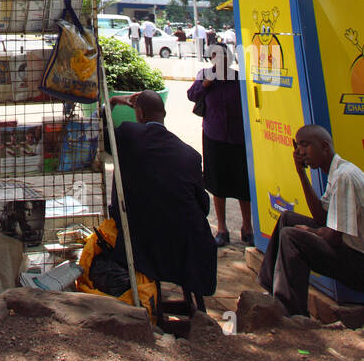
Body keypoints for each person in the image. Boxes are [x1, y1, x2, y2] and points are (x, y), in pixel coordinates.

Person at [108, 91, 217, 298]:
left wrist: (113, 102)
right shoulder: (190, 155)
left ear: (138, 113)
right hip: (186, 245)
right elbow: (202, 205)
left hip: (141, 240)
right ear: (164, 113)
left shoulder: (128, 135)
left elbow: (97, 130)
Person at [259, 126, 364, 317]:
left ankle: (292, 314)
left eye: (305, 145)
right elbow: (321, 218)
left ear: (324, 147)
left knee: (292, 237)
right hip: (348, 249)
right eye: (298, 146)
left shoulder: (344, 176)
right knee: (287, 219)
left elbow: (332, 237)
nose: (300, 152)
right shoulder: (336, 172)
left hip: (358, 261)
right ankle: (269, 289)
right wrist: (301, 174)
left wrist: (311, 231)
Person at [187, 44, 253, 246]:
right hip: (214, 136)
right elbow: (191, 95)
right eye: (216, 56)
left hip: (238, 138)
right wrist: (204, 84)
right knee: (218, 184)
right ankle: (222, 229)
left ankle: (247, 228)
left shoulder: (238, 78)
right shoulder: (206, 76)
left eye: (224, 55)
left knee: (244, 185)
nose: (220, 60)